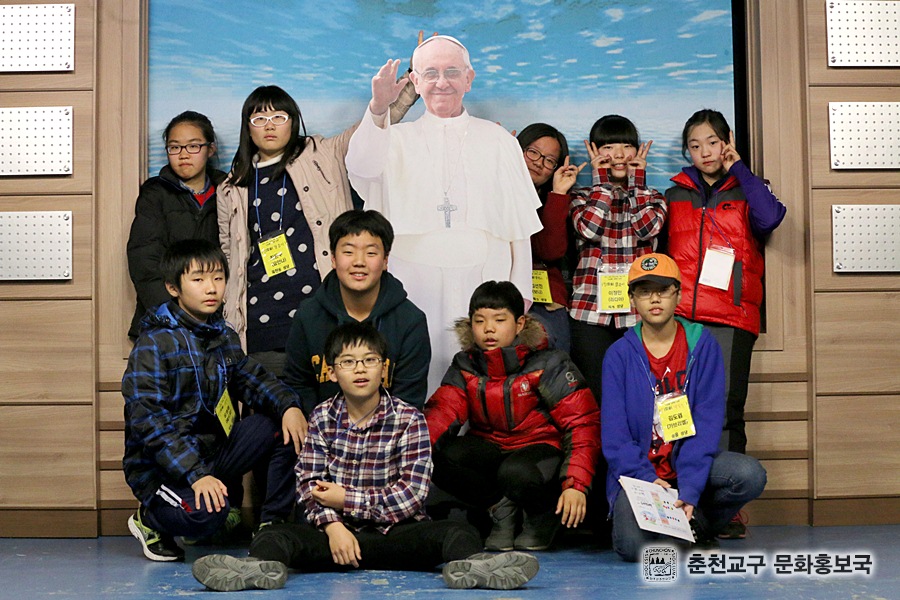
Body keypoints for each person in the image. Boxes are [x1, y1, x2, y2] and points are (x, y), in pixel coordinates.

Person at [191, 322, 539, 592]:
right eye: (348, 362)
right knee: (273, 536)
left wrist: (347, 499)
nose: (360, 369)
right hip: (335, 539)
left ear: (383, 368)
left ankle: (475, 569)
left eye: (369, 360)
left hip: (396, 536)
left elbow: (412, 494)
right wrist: (334, 527)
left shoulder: (408, 418)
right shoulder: (322, 417)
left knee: (458, 533)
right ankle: (256, 570)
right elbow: (308, 486)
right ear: (331, 372)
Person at [345, 35, 543, 395]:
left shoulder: (499, 140)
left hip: (484, 277)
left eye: (452, 72)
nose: (441, 82)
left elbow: (519, 225)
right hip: (413, 279)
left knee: (480, 383)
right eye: (430, 73)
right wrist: (377, 108)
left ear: (469, 79)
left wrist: (519, 289)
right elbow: (361, 168)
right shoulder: (395, 138)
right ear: (415, 81)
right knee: (416, 372)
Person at [122, 239, 307, 562]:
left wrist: (289, 405)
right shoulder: (154, 344)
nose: (211, 288)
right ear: (173, 288)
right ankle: (149, 519)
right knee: (208, 516)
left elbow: (254, 379)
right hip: (162, 471)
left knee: (284, 425)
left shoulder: (222, 335)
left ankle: (272, 524)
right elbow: (150, 424)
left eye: (218, 278)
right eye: (198, 279)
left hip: (211, 457)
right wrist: (196, 474)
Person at [218, 78, 416, 376]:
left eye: (278, 117)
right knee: (271, 402)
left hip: (323, 310)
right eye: (259, 119)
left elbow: (370, 132)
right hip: (261, 320)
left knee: (331, 397)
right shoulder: (231, 186)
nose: (269, 126)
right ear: (248, 127)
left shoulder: (323, 153)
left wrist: (412, 83)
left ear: (293, 121)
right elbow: (229, 254)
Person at [664, 109, 785, 538]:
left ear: (726, 140)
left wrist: (740, 170)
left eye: (712, 142)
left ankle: (726, 507)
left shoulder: (749, 188)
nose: (704, 152)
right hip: (680, 319)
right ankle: (681, 500)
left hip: (731, 317)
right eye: (694, 146)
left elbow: (770, 219)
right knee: (676, 407)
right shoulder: (674, 194)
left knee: (727, 410)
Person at [601, 253, 766, 562]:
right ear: (632, 299)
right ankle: (681, 532)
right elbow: (615, 436)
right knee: (633, 547)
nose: (655, 299)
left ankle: (698, 524)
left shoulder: (702, 345)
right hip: (641, 475)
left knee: (748, 474)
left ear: (678, 294)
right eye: (644, 291)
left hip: (688, 466)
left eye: (663, 290)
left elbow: (707, 423)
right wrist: (647, 478)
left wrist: (689, 487)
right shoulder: (618, 355)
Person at [425, 281, 600, 552]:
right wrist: (409, 456)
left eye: (499, 320)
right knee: (441, 458)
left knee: (516, 472)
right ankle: (500, 510)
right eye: (479, 321)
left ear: (519, 324)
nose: (489, 329)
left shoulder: (549, 362)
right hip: (491, 448)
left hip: (539, 452)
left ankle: (541, 518)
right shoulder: (465, 363)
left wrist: (576, 484)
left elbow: (583, 422)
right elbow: (442, 413)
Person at [283, 209, 430, 415]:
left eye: (371, 253)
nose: (359, 261)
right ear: (333, 259)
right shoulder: (308, 315)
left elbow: (409, 399)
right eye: (348, 252)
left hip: (389, 430)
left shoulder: (410, 321)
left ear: (385, 260)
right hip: (320, 428)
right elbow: (297, 383)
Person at [569, 114, 667, 407]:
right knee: (597, 398)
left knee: (638, 394)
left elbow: (647, 229)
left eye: (626, 146)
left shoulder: (653, 197)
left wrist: (638, 186)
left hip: (638, 313)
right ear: (595, 151)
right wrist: (600, 182)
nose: (619, 155)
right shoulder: (582, 197)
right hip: (589, 312)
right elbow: (589, 229)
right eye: (609, 147)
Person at [126, 111, 226, 338]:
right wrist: (174, 317)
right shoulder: (155, 193)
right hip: (165, 323)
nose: (183, 154)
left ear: (210, 149)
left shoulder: (229, 191)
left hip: (218, 320)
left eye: (193, 146)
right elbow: (144, 260)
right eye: (174, 147)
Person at [516, 123, 585, 354]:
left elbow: (550, 251)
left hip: (545, 298)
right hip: (501, 295)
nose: (538, 162)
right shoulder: (492, 190)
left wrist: (558, 194)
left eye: (549, 160)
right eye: (533, 152)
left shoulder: (556, 200)